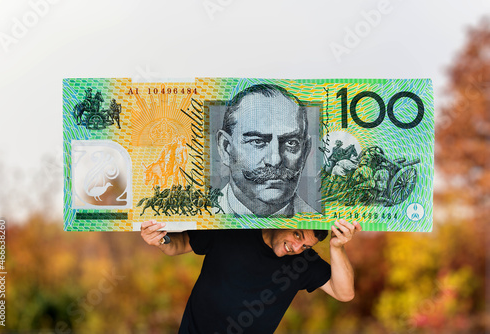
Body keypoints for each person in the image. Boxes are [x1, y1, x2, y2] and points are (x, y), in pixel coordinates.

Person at [141, 219, 362, 333]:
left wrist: (337, 247)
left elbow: (344, 293)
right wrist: (161, 239)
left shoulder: (302, 263)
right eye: (297, 235)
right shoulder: (232, 227)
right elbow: (179, 244)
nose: (296, 247)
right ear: (285, 220)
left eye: (304, 246)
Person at [215, 84, 315, 218]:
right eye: (257, 141)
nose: (275, 160)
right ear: (226, 148)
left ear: (305, 151)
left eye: (291, 143)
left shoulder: (320, 225)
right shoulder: (194, 221)